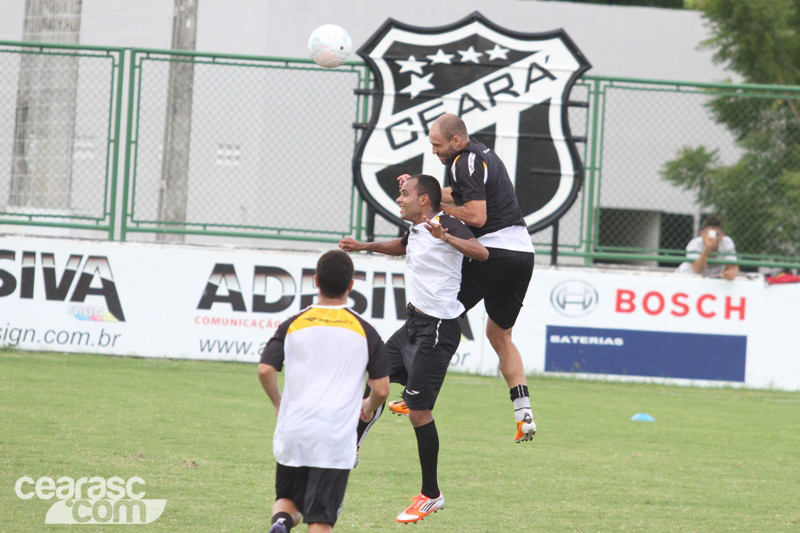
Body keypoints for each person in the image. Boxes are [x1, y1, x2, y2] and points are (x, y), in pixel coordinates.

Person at [339, 174, 488, 524]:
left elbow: (481, 253)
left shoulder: (445, 223)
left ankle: (431, 494)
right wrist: (364, 247)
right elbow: (403, 246)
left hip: (437, 329)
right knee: (378, 377)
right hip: (414, 325)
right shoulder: (419, 230)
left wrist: (447, 236)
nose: (398, 199)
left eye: (404, 194)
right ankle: (351, 446)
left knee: (419, 411)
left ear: (424, 200)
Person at [399, 113, 537, 443]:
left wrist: (440, 213)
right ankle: (524, 412)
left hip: (495, 252)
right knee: (499, 335)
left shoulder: (463, 161)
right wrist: (423, 190)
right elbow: (462, 196)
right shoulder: (483, 157)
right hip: (522, 255)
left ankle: (416, 394)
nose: (434, 151)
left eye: (436, 144)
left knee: (437, 314)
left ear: (456, 141)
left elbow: (476, 215)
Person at [258, 250, 390, 533]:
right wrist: (367, 408)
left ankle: (281, 524)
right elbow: (381, 388)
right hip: (334, 435)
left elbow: (265, 370)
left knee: (287, 500)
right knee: (320, 519)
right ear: (351, 285)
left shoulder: (292, 323)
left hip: (295, 428)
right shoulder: (365, 330)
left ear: (316, 281)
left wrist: (278, 403)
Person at [675, 216, 739, 281]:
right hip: (686, 278)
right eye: (710, 234)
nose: (714, 238)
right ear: (701, 234)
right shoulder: (694, 244)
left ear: (723, 235)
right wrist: (707, 249)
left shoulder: (726, 243)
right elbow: (697, 270)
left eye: (717, 234)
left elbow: (733, 268)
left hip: (712, 280)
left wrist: (731, 273)